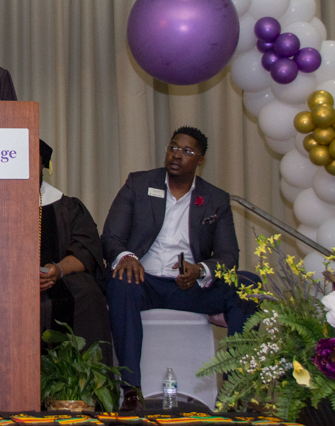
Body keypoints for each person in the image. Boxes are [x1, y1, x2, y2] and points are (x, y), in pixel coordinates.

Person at [101, 126, 254, 412]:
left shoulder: (215, 198)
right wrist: (126, 257)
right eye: (173, 147)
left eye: (187, 151)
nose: (177, 155)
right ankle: (131, 389)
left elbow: (228, 255)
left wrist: (200, 270)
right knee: (121, 282)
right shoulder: (138, 184)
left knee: (248, 286)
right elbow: (110, 237)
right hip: (143, 282)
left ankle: (234, 390)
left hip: (190, 287)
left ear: (200, 160)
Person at [38, 140, 111, 364]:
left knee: (88, 293)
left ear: (43, 164)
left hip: (58, 277)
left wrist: (58, 269)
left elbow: (86, 250)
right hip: (9, 282)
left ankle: (83, 389)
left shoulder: (66, 206)